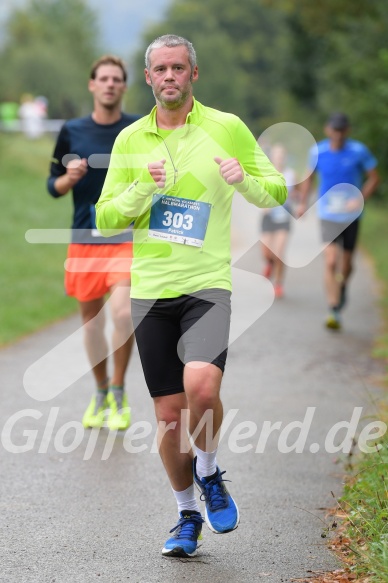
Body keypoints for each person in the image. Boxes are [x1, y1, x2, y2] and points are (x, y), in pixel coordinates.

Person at [96, 35, 287, 558]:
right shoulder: (132, 139)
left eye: (179, 67)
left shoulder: (226, 127)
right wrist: (142, 190)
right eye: (161, 69)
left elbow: (277, 191)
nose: (170, 76)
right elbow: (106, 216)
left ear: (193, 74)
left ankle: (209, 471)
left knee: (202, 387)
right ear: (149, 76)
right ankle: (186, 514)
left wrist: (243, 177)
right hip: (152, 292)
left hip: (206, 286)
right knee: (169, 417)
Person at [47, 55, 140, 430]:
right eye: (103, 78)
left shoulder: (136, 129)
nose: (110, 84)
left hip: (125, 238)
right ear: (92, 85)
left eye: (116, 79)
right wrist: (69, 178)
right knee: (90, 325)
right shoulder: (72, 130)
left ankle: (119, 391)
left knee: (120, 314)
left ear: (124, 86)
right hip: (84, 240)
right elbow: (52, 186)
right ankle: (100, 392)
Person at [298, 113, 379, 330]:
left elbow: (374, 177)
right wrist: (302, 204)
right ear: (328, 130)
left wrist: (360, 197)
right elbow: (308, 178)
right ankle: (333, 308)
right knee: (331, 261)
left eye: (342, 130)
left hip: (352, 216)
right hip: (328, 214)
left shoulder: (358, 151)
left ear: (347, 131)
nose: (338, 134)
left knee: (347, 264)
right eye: (335, 129)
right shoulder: (318, 151)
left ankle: (342, 287)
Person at [260, 144, 297, 298]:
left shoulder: (291, 174)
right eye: (276, 155)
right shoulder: (265, 174)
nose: (279, 158)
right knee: (267, 252)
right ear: (272, 157)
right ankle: (269, 263)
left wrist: (300, 204)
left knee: (279, 252)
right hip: (268, 216)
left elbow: (299, 194)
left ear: (285, 157)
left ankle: (278, 284)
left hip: (284, 216)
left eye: (281, 155)